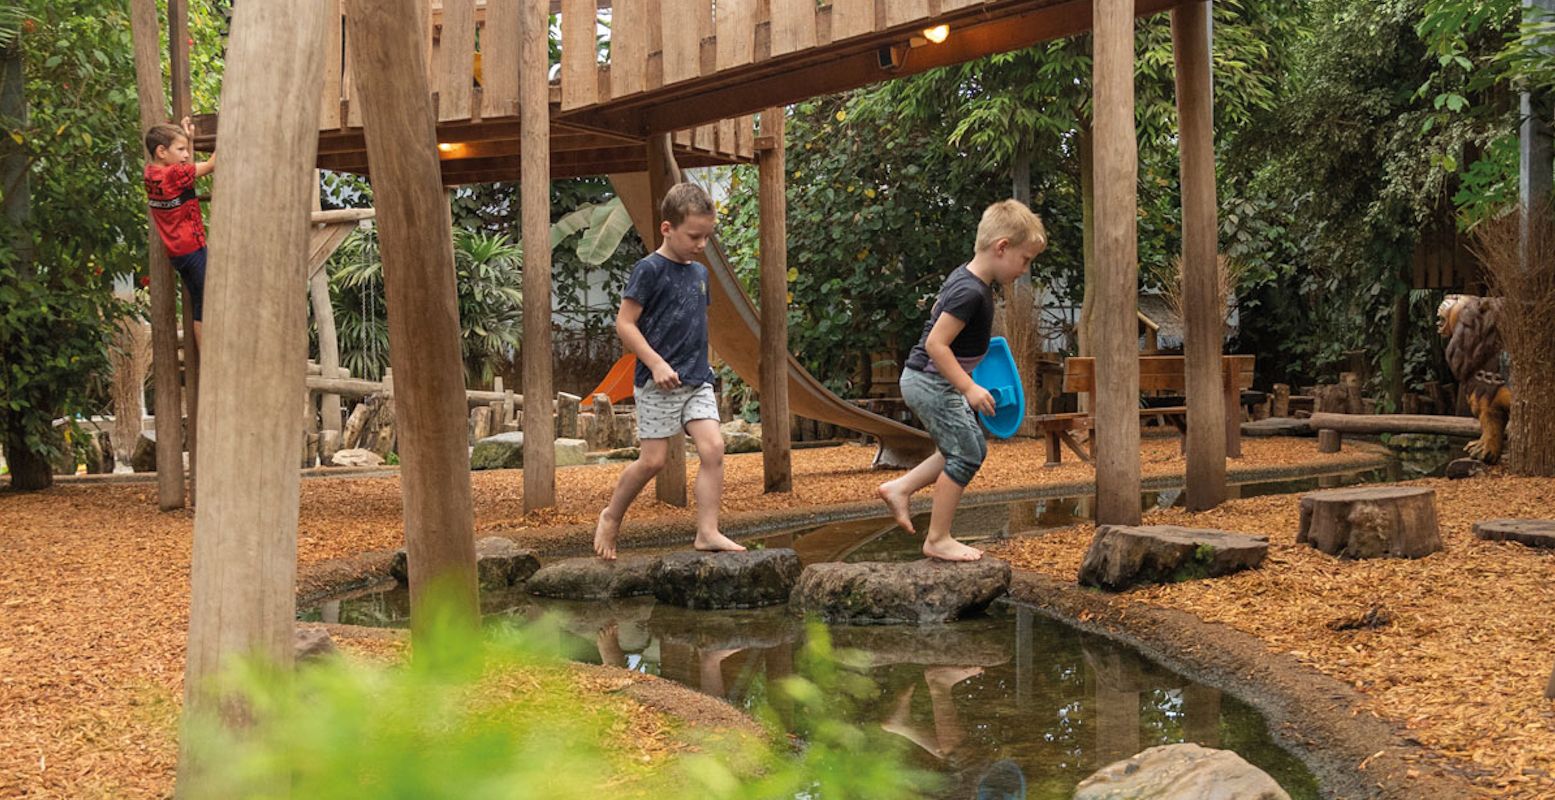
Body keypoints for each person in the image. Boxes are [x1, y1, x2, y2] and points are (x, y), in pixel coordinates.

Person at [876, 200, 1047, 562]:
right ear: (1002, 247)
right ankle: (937, 539)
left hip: (937, 381)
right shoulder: (969, 291)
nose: (1025, 268)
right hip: (931, 382)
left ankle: (900, 488)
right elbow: (937, 345)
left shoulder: (971, 281)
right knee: (965, 453)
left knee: (970, 448)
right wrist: (968, 387)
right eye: (1025, 259)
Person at [593, 182, 744, 560]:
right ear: (667, 228)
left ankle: (707, 531)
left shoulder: (700, 274)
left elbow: (695, 323)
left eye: (707, 237)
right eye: (694, 236)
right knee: (654, 461)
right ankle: (611, 516)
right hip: (658, 382)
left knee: (713, 448)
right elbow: (625, 324)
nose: (701, 245)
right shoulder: (649, 270)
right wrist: (656, 362)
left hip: (696, 379)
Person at [143, 116, 216, 349]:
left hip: (180, 251)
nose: (186, 154)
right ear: (162, 152)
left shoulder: (151, 174)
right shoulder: (173, 174)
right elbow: (211, 165)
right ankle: (209, 364)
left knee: (201, 300)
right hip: (191, 247)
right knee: (205, 304)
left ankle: (209, 362)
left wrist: (188, 139)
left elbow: (184, 172)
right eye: (181, 149)